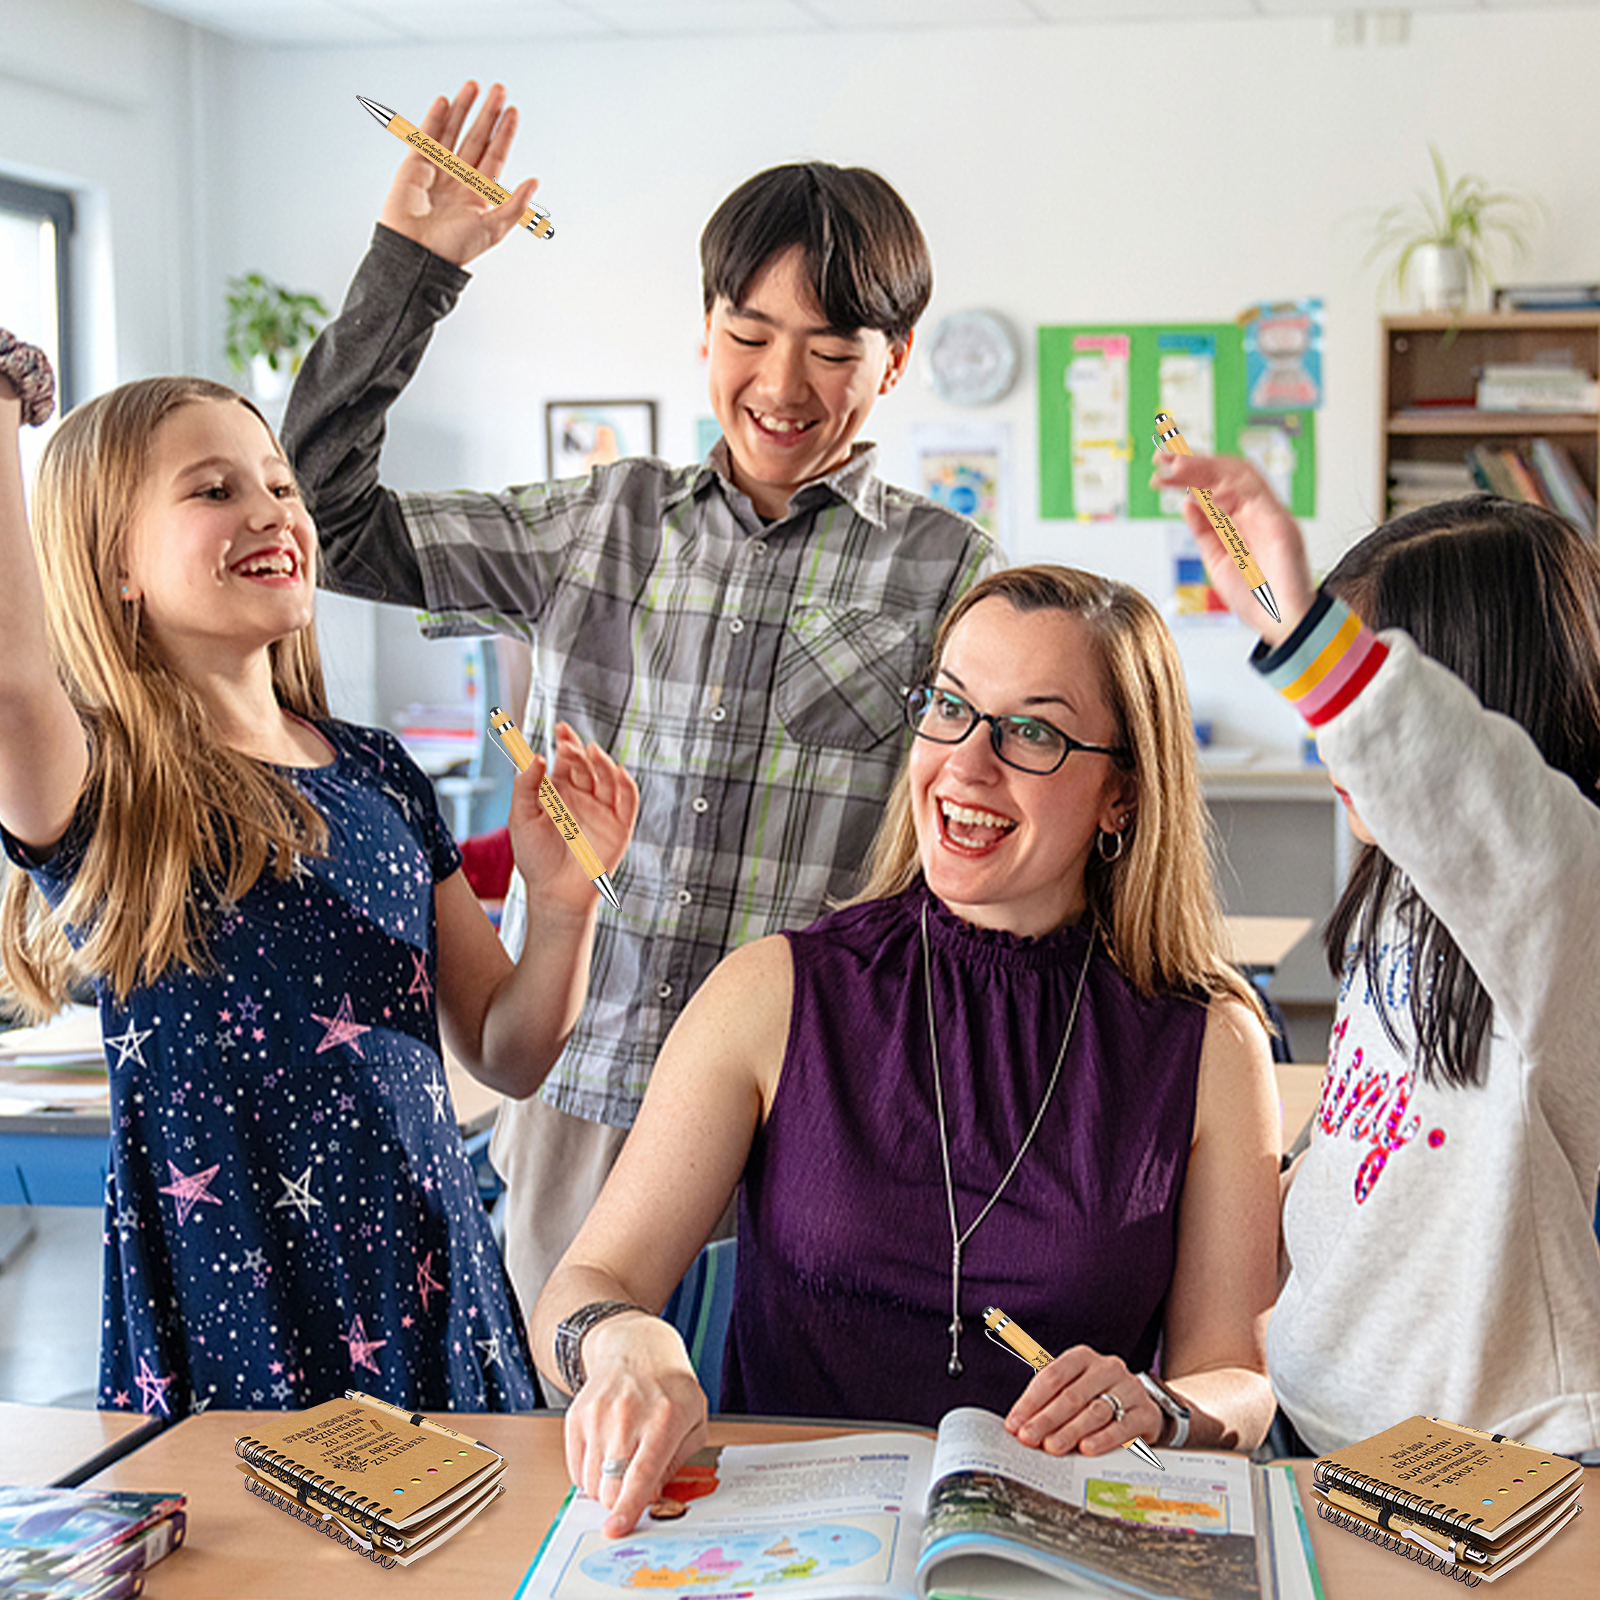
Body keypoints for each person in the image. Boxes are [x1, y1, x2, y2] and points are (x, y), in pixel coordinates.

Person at [281, 81, 1001, 1323]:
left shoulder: (950, 573)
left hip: (811, 1118)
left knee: (782, 1436)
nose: (783, 382)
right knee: (569, 1423)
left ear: (894, 361)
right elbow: (322, 518)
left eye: (834, 351)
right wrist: (413, 271)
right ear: (704, 331)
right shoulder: (596, 524)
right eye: (749, 332)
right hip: (583, 1095)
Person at [530, 564, 1282, 1536]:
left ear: (1122, 796)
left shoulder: (1209, 1040)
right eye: (950, 708)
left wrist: (1164, 1407)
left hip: (1054, 1546)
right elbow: (582, 1287)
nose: (967, 766)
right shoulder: (773, 992)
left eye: (1033, 732)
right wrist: (620, 1340)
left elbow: (1239, 1383)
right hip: (789, 1549)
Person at [0, 335, 637, 1418]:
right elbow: (17, 682)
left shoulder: (380, 772)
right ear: (113, 564)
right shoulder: (106, 785)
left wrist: (564, 902)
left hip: (432, 1293)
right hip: (243, 1320)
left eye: (281, 487)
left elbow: (509, 1052)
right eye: (215, 491)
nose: (272, 512)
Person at [1152, 447, 1600, 1460]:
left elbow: (1459, 782)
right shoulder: (1398, 892)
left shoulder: (1562, 890)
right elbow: (1367, 1151)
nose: (1331, 740)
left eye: (1359, 703)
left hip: (1490, 1456)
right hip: (1327, 1429)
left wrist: (1301, 630)